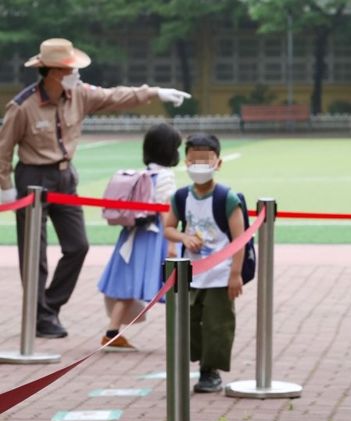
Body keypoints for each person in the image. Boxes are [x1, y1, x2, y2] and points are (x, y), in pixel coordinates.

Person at [0, 38, 191, 338]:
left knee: (78, 246)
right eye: (70, 69)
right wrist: (5, 185)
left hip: (65, 178)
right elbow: (3, 147)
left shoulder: (80, 94)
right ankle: (40, 317)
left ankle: (47, 306)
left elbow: (116, 96)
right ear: (52, 72)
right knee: (33, 253)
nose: (76, 73)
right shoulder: (23, 106)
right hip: (33, 179)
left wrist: (154, 92)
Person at [163, 133, 244, 393]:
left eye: (205, 161)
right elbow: (168, 228)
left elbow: (238, 239)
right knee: (189, 320)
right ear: (186, 162)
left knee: (217, 324)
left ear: (218, 163)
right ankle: (196, 361)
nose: (199, 167)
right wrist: (183, 238)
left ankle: (211, 371)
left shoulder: (227, 198)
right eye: (193, 160)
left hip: (220, 274)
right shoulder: (180, 197)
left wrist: (235, 274)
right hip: (191, 273)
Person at [96, 123, 182, 351]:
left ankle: (112, 332)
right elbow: (167, 211)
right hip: (156, 238)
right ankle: (183, 333)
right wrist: (173, 244)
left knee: (129, 285)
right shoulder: (165, 177)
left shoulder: (145, 173)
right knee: (178, 285)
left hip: (133, 236)